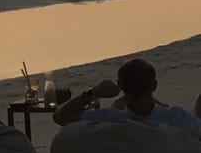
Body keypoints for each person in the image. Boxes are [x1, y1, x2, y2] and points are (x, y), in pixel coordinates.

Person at [53, 58, 201, 138]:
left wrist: (94, 93)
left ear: (120, 86)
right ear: (154, 85)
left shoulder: (109, 118)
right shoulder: (177, 117)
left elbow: (60, 116)